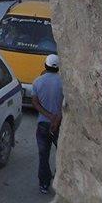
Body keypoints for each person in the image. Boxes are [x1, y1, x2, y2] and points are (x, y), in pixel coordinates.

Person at [30, 54, 63, 194]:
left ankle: (44, 183)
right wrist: (56, 119)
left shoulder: (37, 82)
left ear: (45, 65)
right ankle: (60, 180)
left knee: (43, 155)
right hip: (60, 125)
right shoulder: (64, 82)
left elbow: (35, 102)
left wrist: (48, 116)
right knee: (62, 153)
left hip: (43, 124)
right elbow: (65, 104)